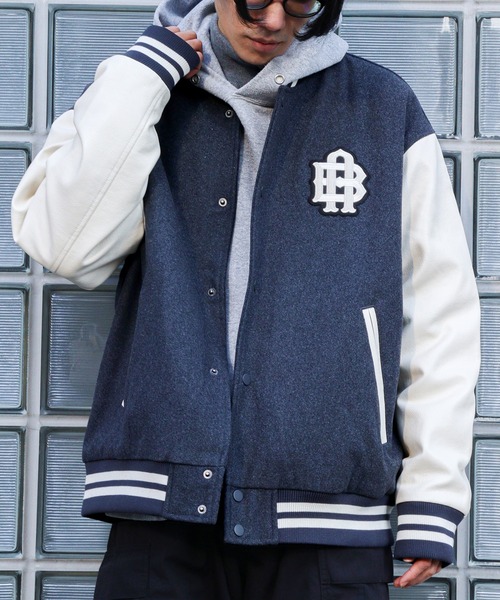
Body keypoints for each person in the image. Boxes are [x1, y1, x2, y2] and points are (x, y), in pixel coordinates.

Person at [11, 0, 481, 598]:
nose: (277, 21)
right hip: (162, 511)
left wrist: (433, 493)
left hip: (329, 517)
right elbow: (66, 247)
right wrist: (143, 75)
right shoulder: (140, 94)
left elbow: (439, 310)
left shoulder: (382, 106)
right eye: (257, 0)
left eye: (301, 3)